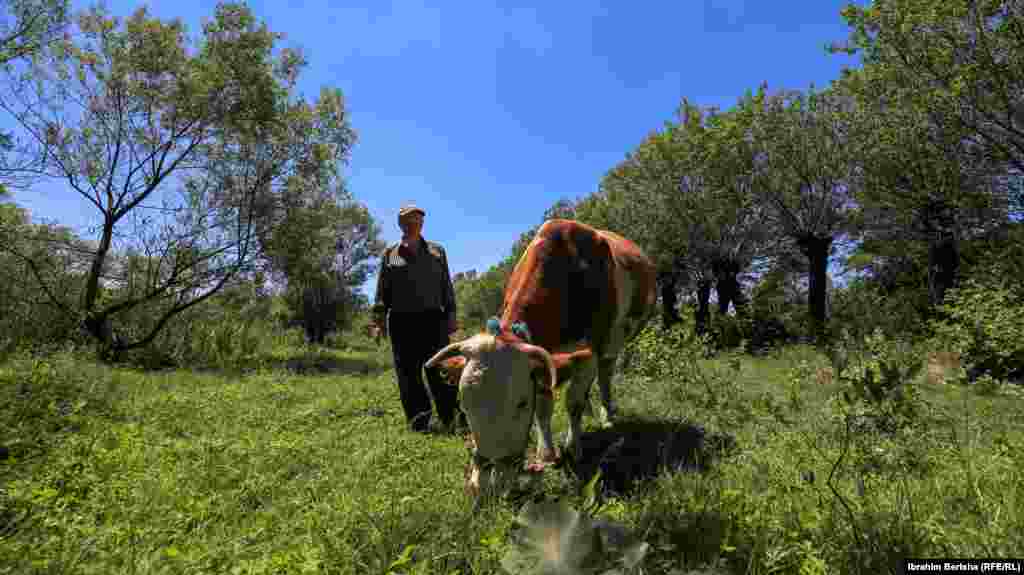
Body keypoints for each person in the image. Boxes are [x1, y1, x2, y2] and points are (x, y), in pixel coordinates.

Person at [372, 204, 461, 433]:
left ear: (423, 224)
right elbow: (382, 291)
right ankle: (419, 422)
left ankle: (450, 418)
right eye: (410, 221)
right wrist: (378, 322)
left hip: (434, 320)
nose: (415, 224)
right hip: (402, 322)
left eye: (419, 220)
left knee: (440, 370)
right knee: (408, 375)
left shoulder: (437, 252)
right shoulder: (390, 254)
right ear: (401, 224)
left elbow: (446, 286)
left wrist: (451, 315)